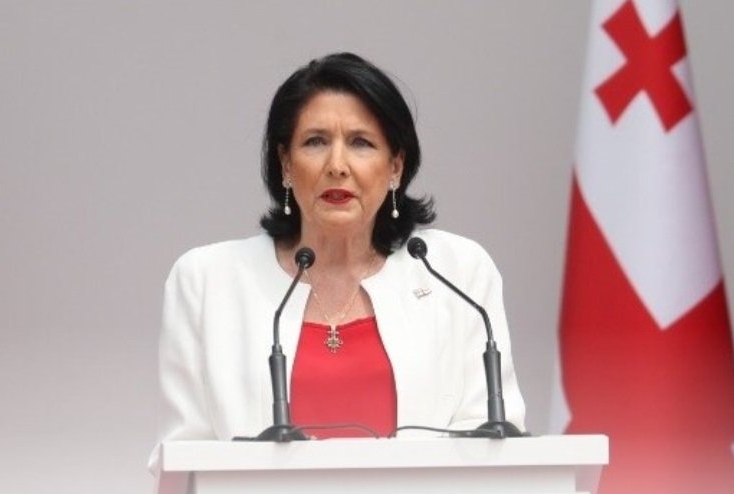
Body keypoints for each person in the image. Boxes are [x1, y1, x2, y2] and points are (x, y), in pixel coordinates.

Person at [148, 52, 526, 479]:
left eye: (362, 143)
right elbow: (184, 460)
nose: (337, 166)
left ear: (396, 166)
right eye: (315, 142)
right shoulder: (206, 282)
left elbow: (495, 450)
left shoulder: (457, 272)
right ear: (286, 164)